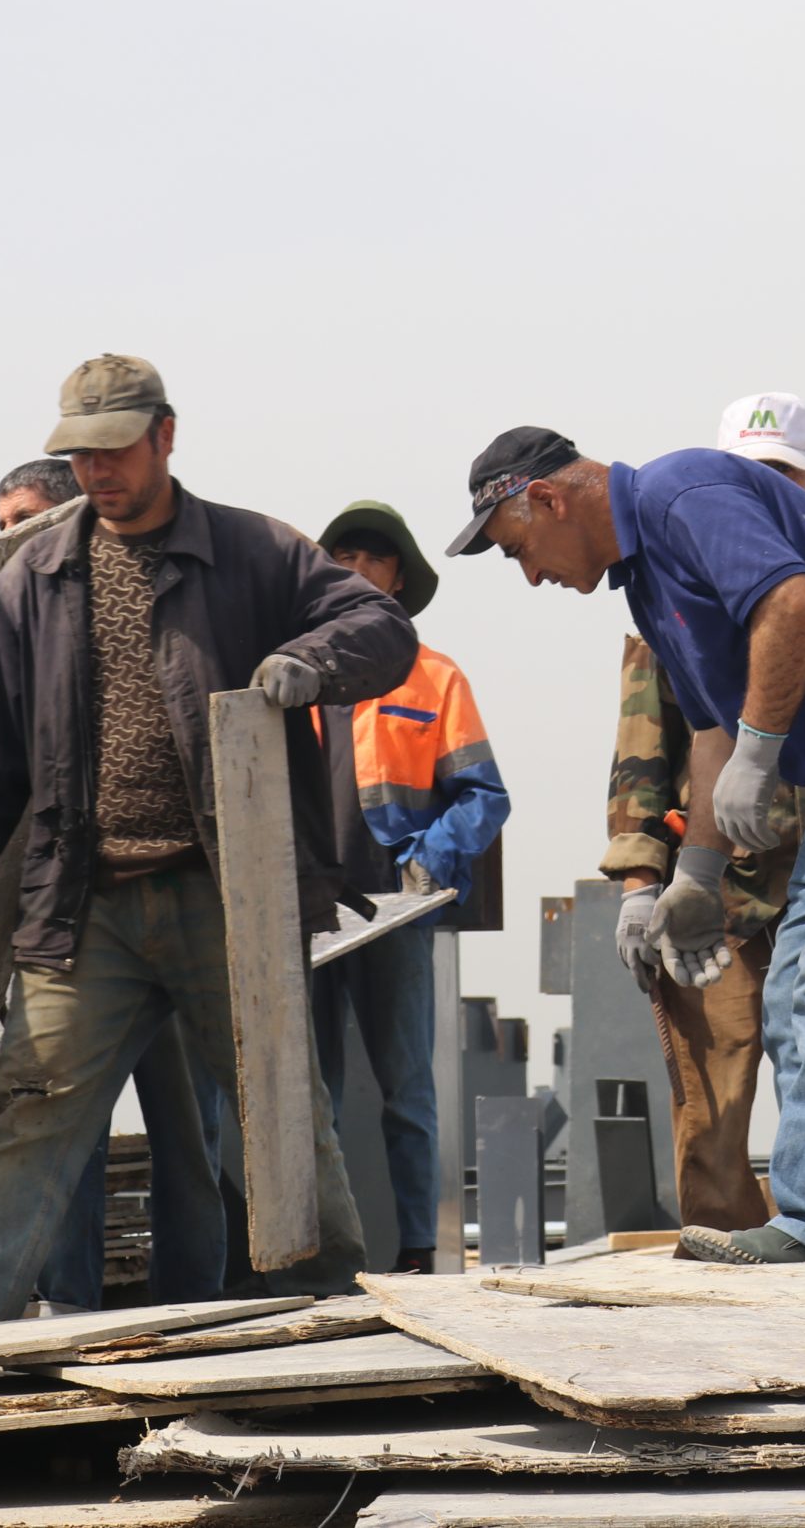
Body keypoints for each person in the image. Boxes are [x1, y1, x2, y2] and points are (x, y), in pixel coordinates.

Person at [0, 354, 417, 1331]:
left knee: (278, 1105)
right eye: (80, 454)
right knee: (29, 1104)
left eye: (115, 449)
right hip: (84, 905)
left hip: (223, 898)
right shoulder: (33, 581)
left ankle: (323, 1307)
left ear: (165, 436)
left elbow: (379, 623)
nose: (97, 470)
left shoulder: (253, 552)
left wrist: (309, 661)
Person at [449, 425, 805, 1266]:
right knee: (791, 992)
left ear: (548, 499)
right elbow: (710, 727)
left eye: (517, 548)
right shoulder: (647, 582)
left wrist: (761, 749)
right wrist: (694, 877)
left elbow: (792, 602)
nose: (530, 574)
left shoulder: (679, 492)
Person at [0, 458, 228, 1313]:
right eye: (0, 524)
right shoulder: (15, 626)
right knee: (61, 1131)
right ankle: (66, 1309)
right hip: (76, 924)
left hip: (176, 903)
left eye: (24, 519)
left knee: (188, 1136)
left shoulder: (162, 601)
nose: (9, 539)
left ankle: (194, 1310)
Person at [599, 396, 805, 1239]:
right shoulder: (670, 597)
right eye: (753, 474)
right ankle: (726, 1256)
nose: (769, 489)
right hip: (713, 895)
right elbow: (641, 753)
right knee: (713, 1101)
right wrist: (639, 885)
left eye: (784, 474)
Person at [310, 500, 509, 1276]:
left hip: (393, 910)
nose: (357, 567)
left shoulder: (434, 675)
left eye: (374, 556)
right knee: (309, 1093)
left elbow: (484, 795)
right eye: (344, 555)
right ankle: (319, 1254)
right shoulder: (293, 674)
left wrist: (429, 861)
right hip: (305, 911)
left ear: (398, 579)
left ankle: (421, 1250)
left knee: (407, 1088)